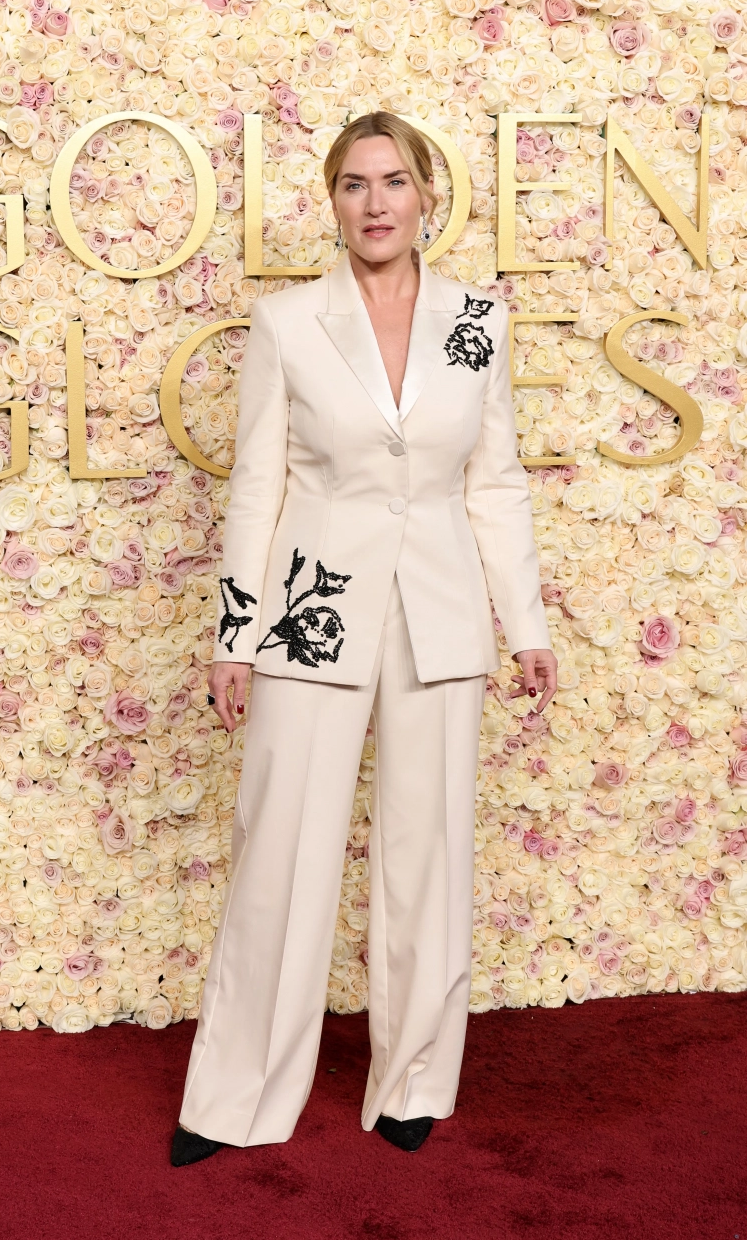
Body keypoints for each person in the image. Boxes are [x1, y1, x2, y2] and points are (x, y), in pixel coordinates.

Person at [171, 111, 557, 1166]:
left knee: (429, 851)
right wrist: (234, 638)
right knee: (280, 850)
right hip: (312, 609)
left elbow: (495, 483)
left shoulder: (479, 320)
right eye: (353, 184)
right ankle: (235, 1098)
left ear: (427, 193)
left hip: (441, 611)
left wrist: (524, 623)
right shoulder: (288, 322)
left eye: (392, 181)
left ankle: (413, 1083)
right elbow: (256, 489)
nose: (375, 202)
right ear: (332, 201)